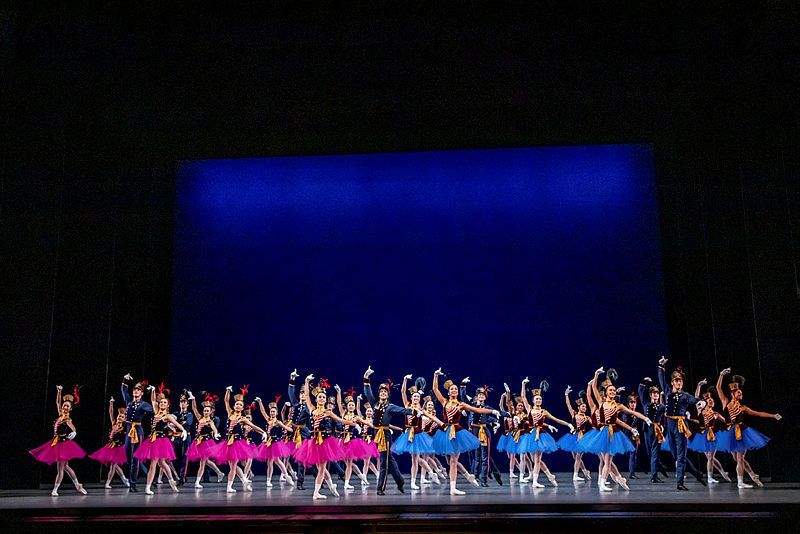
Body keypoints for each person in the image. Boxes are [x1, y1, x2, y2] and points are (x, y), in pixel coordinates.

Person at [431, 368, 499, 495]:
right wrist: (435, 376)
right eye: (452, 389)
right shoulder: (444, 402)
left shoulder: (461, 404)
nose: (454, 390)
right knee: (449, 461)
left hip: (457, 432)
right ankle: (468, 475)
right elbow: (435, 390)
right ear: (448, 391)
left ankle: (453, 488)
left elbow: (477, 410)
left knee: (453, 461)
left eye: (456, 389)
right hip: (445, 432)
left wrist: (492, 411)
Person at [715, 368, 782, 488]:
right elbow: (718, 388)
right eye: (739, 393)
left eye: (741, 393)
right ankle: (752, 475)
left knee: (740, 458)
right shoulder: (725, 402)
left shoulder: (743, 407)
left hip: (742, 432)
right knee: (736, 458)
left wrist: (773, 415)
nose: (741, 394)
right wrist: (721, 375)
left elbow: (758, 413)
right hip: (730, 432)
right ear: (732, 394)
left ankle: (740, 483)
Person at [294, 375, 353, 499]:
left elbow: (341, 421)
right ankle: (331, 485)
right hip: (313, 441)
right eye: (319, 397)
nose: (321, 398)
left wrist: (355, 424)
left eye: (323, 397)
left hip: (325, 442)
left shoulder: (328, 412)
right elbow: (307, 395)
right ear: (316, 399)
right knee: (319, 467)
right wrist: (306, 381)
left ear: (325, 400)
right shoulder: (312, 409)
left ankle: (316, 493)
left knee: (322, 468)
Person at [657, 357, 708, 490]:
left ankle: (679, 483)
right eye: (677, 380)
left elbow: (695, 400)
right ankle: (697, 473)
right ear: (673, 382)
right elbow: (661, 380)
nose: (679, 382)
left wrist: (702, 402)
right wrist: (661, 367)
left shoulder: (685, 395)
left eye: (681, 380)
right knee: (676, 455)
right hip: (670, 426)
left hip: (680, 427)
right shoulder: (668, 392)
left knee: (680, 456)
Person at [363, 366, 414, 496]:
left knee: (384, 463)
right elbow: (367, 392)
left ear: (388, 395)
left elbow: (402, 410)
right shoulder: (375, 404)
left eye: (385, 392)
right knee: (389, 460)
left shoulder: (390, 407)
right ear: (379, 394)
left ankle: (380, 488)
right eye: (381, 392)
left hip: (385, 435)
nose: (383, 394)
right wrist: (366, 378)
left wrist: (414, 411)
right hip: (377, 434)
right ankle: (400, 481)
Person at [29, 385, 88, 496]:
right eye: (64, 405)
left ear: (70, 409)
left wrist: (74, 432)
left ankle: (55, 490)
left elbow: (73, 427)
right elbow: (57, 403)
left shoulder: (67, 418)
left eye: (67, 406)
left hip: (64, 444)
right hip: (57, 442)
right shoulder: (60, 415)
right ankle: (78, 485)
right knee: (65, 467)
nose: (64, 407)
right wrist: (59, 391)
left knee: (61, 468)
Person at [133, 384, 187, 494]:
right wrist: (153, 390)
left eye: (164, 403)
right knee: (162, 463)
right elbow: (153, 401)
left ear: (167, 405)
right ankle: (172, 481)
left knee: (154, 463)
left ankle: (148, 487)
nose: (162, 404)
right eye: (161, 402)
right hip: (152, 439)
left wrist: (184, 431)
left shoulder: (168, 416)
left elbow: (177, 424)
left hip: (161, 441)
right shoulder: (157, 411)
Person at [519, 378, 573, 487]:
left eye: (540, 399)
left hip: (541, 435)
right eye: (537, 399)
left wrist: (568, 424)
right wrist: (523, 384)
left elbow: (556, 419)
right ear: (533, 401)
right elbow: (523, 397)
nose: (538, 400)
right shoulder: (529, 409)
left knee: (538, 460)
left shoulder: (544, 411)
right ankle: (549, 475)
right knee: (535, 460)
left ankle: (535, 482)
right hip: (530, 435)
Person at [216, 385, 267, 493]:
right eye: (237, 404)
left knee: (233, 466)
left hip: (237, 443)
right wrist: (228, 391)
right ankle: (244, 480)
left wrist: (263, 432)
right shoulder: (230, 413)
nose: (238, 406)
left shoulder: (242, 418)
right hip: (227, 442)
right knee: (232, 465)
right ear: (234, 406)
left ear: (242, 408)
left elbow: (253, 426)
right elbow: (226, 401)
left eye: (240, 405)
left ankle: (229, 486)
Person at [688, 379, 731, 484]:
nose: (712, 401)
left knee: (711, 457)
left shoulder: (716, 413)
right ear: (705, 402)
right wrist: (699, 385)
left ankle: (710, 477)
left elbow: (726, 421)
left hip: (713, 435)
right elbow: (696, 398)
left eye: (713, 400)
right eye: (709, 400)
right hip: (702, 435)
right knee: (710, 458)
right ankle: (721, 472)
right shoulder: (701, 410)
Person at [120, 373, 154, 492]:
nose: (135, 391)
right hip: (129, 430)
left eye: (138, 390)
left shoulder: (143, 404)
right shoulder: (129, 402)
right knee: (127, 456)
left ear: (142, 393)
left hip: (138, 431)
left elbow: (154, 410)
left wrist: (153, 394)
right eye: (134, 389)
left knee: (135, 458)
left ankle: (132, 484)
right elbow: (123, 390)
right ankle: (147, 476)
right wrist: (125, 380)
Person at [88, 396, 129, 488]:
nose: (119, 417)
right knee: (115, 466)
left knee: (113, 466)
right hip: (110, 447)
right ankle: (124, 479)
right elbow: (111, 413)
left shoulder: (124, 427)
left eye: (122, 417)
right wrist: (111, 403)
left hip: (118, 448)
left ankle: (108, 483)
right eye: (119, 416)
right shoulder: (114, 423)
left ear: (124, 419)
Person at [254, 396, 295, 487]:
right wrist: (260, 402)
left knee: (277, 460)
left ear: (276, 413)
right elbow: (263, 412)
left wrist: (291, 428)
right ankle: (268, 480)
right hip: (268, 443)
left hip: (275, 443)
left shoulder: (278, 422)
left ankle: (286, 476)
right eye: (271, 411)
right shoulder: (268, 420)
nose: (272, 413)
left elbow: (288, 429)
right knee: (269, 463)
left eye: (273, 411)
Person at [186, 391, 222, 488]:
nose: (205, 412)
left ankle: (197, 482)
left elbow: (214, 428)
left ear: (211, 412)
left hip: (206, 443)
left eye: (207, 411)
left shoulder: (210, 421)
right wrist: (192, 398)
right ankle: (219, 472)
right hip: (198, 442)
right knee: (205, 461)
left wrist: (216, 433)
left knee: (202, 462)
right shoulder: (200, 418)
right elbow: (194, 408)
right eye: (204, 410)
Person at [558, 386, 593, 481]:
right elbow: (568, 404)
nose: (584, 408)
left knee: (578, 456)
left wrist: (589, 435)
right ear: (578, 407)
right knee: (575, 457)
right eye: (582, 406)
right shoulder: (574, 414)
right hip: (573, 436)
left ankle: (575, 475)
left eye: (585, 406)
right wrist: (566, 395)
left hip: (582, 437)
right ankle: (585, 470)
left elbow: (594, 427)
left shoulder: (587, 418)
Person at [171, 392, 194, 485]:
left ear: (187, 404)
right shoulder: (175, 413)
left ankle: (182, 478)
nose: (183, 403)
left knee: (185, 458)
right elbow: (170, 422)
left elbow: (188, 423)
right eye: (181, 401)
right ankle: (177, 476)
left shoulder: (189, 414)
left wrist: (176, 424)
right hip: (177, 437)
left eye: (184, 402)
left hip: (186, 437)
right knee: (175, 458)